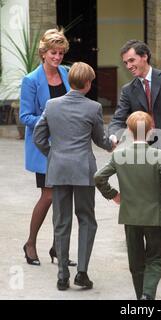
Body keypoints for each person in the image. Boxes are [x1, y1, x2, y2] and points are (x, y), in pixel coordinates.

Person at [108, 40, 161, 275]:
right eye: (125, 62)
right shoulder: (129, 90)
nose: (128, 66)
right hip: (144, 157)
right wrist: (113, 136)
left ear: (144, 56)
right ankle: (158, 255)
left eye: (132, 60)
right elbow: (118, 118)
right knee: (151, 205)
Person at [33, 62, 113, 290]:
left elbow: (38, 137)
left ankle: (61, 275)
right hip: (83, 169)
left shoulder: (52, 104)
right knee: (86, 218)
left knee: (61, 221)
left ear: (70, 81)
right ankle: (82, 273)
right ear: (88, 83)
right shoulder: (94, 107)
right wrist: (112, 143)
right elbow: (100, 140)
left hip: (58, 169)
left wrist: (54, 155)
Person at [95, 111, 161, 300]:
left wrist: (114, 195)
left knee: (136, 262)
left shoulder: (120, 155)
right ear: (151, 131)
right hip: (154, 215)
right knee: (157, 258)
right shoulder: (159, 155)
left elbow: (99, 177)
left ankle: (141, 296)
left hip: (130, 216)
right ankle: (148, 295)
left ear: (129, 132)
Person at [19, 28, 76, 266]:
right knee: (50, 195)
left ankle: (58, 249)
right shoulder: (31, 80)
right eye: (53, 52)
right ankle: (30, 243)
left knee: (64, 198)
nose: (57, 57)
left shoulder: (66, 73)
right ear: (44, 52)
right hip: (44, 148)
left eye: (61, 53)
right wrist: (50, 122)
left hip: (68, 146)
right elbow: (25, 116)